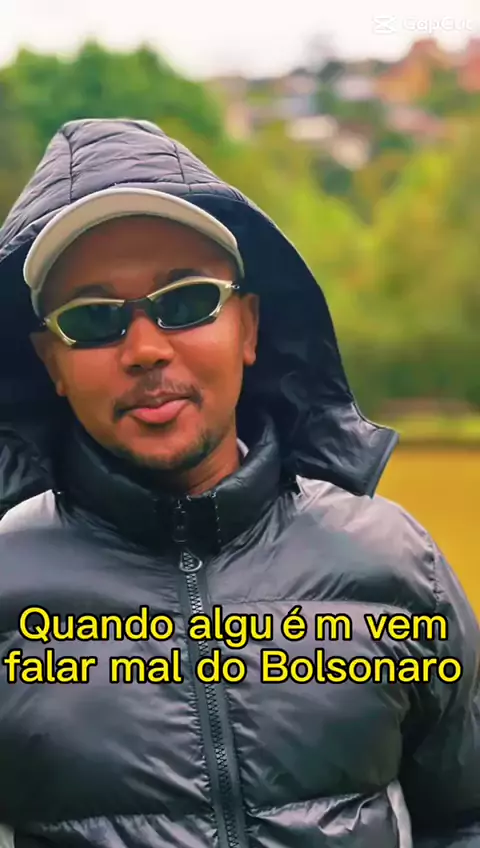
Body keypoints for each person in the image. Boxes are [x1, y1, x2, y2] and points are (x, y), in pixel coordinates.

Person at [0, 118, 478, 848]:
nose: (146, 349)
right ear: (50, 364)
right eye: (93, 319)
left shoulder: (395, 565)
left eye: (185, 302)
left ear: (249, 328)